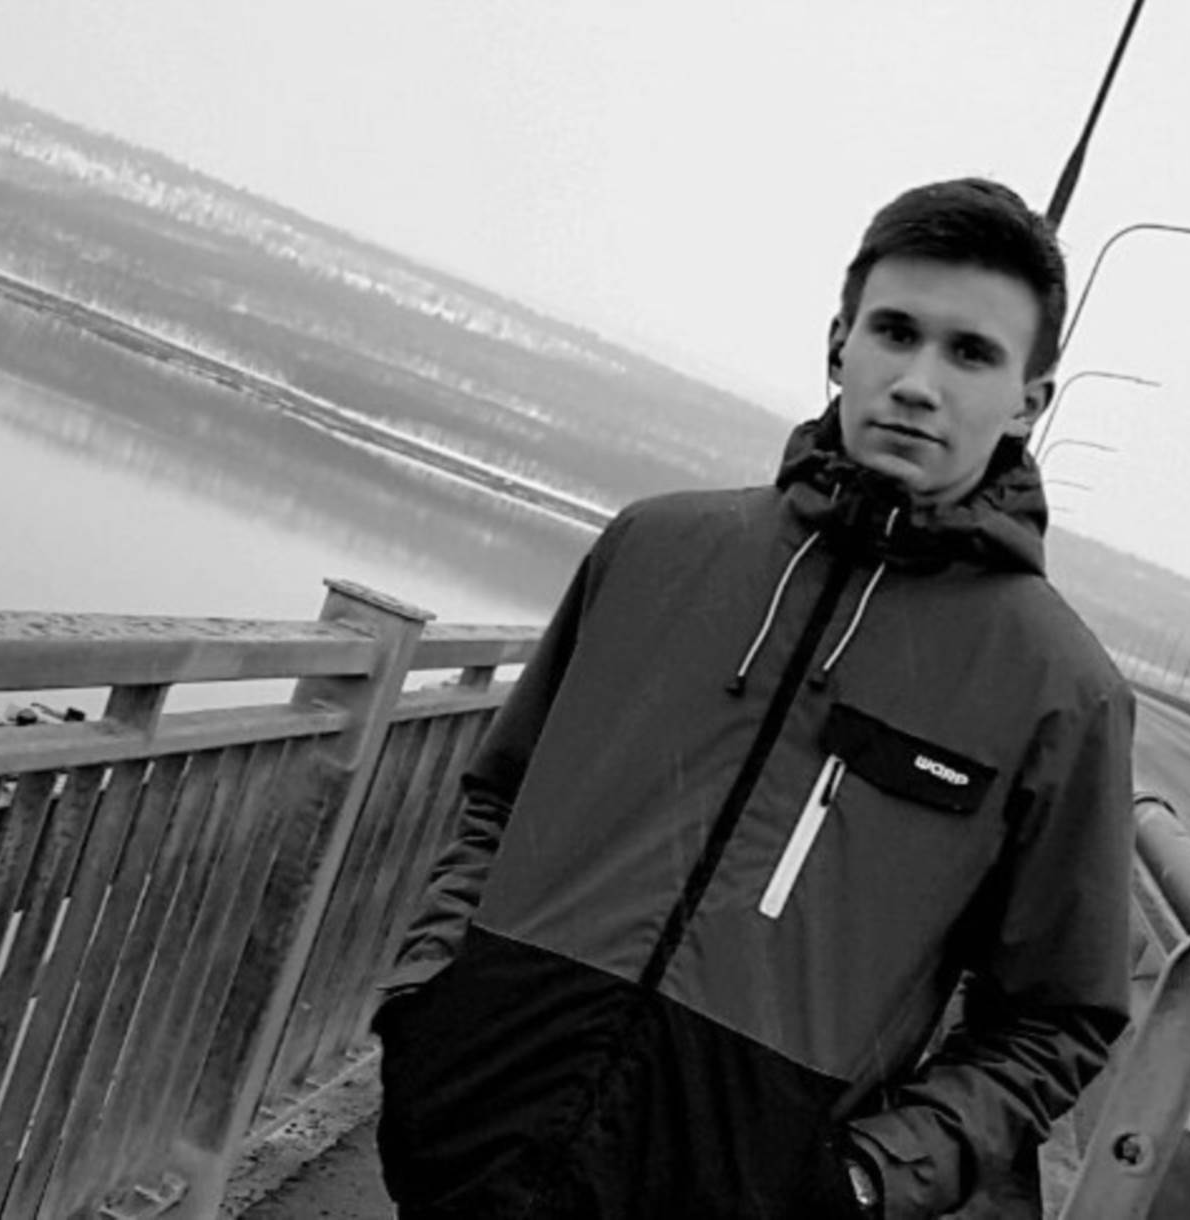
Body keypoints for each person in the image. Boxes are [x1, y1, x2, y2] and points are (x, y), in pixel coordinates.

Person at [372, 178, 1135, 1219]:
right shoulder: (652, 550)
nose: (918, 383)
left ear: (1030, 400)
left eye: (970, 353)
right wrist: (427, 999)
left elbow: (1058, 1017)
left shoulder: (1059, 689)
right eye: (895, 333)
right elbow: (498, 799)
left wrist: (865, 1180)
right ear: (839, 343)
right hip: (464, 1146)